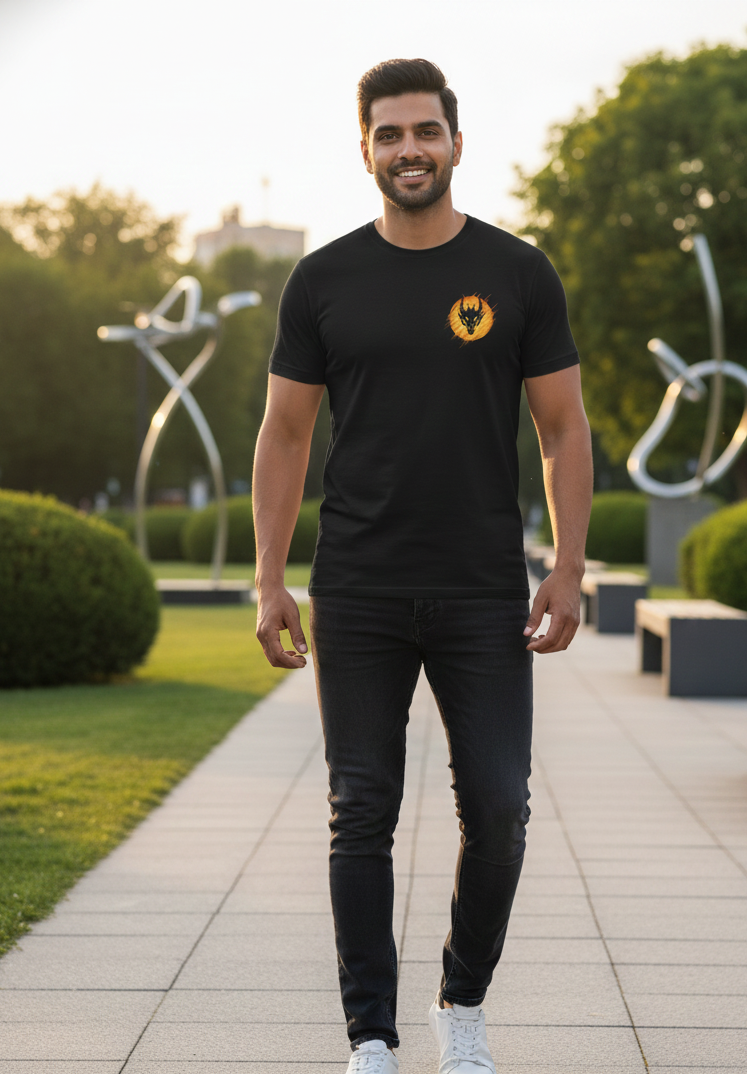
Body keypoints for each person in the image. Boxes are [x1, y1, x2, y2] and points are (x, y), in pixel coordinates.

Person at [253, 58, 592, 1074]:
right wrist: (271, 579)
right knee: (360, 808)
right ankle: (370, 1035)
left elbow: (564, 428)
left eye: (424, 132)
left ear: (455, 142)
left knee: (497, 805)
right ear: (364, 150)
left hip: (485, 586)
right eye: (389, 134)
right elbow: (282, 433)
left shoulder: (519, 273)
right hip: (356, 586)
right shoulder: (323, 280)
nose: (409, 149)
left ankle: (463, 1000)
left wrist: (567, 566)